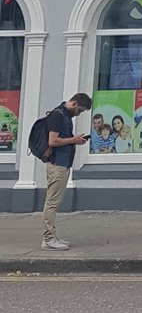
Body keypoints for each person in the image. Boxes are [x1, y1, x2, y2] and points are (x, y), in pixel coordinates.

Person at [42, 93, 92, 251]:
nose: (79, 114)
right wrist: (74, 140)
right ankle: (49, 238)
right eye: (80, 110)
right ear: (74, 103)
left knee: (54, 202)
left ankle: (51, 236)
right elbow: (53, 141)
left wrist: (74, 140)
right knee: (52, 203)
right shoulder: (58, 116)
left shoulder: (64, 116)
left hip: (62, 164)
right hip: (57, 165)